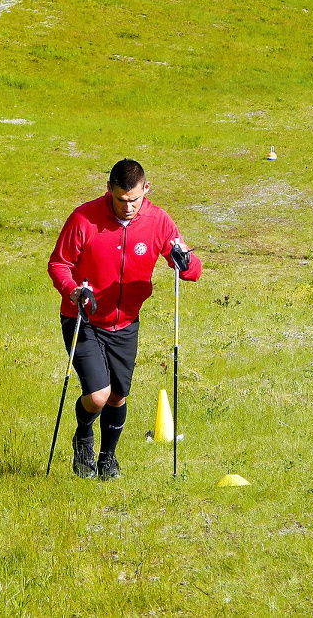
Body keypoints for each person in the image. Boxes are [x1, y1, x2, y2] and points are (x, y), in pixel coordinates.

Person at [48, 159, 202, 479]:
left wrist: (183, 262)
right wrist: (74, 291)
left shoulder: (158, 221)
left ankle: (108, 458)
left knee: (117, 396)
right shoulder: (84, 218)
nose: (128, 207)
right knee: (98, 395)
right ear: (109, 191)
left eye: (134, 199)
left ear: (146, 189)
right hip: (84, 319)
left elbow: (193, 270)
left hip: (126, 323)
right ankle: (83, 438)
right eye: (121, 200)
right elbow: (58, 264)